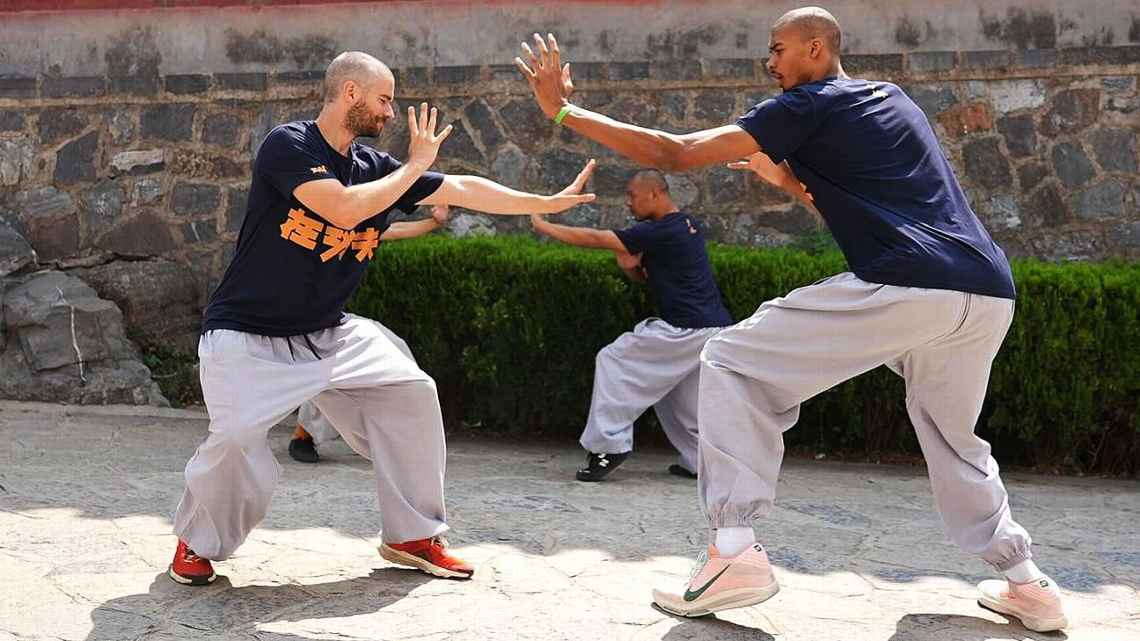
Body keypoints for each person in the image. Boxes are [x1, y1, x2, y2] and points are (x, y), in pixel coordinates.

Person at [515, 7, 1067, 632]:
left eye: (777, 49)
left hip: (910, 285)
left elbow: (675, 152)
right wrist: (786, 179)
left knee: (728, 358)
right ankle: (1028, 584)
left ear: (815, 46)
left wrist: (563, 111)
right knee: (953, 439)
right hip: (987, 291)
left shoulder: (806, 106)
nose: (770, 64)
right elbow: (854, 207)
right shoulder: (892, 100)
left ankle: (733, 553)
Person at [169, 51, 595, 587]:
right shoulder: (289, 145)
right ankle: (197, 542)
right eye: (385, 99)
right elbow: (342, 209)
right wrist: (415, 167)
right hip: (248, 336)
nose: (391, 113)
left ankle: (413, 534)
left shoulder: (374, 167)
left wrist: (543, 202)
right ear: (350, 92)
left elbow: (460, 187)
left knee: (411, 394)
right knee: (234, 440)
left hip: (330, 331)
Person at [531, 168, 733, 481]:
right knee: (676, 395)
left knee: (613, 359)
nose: (628, 203)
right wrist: (630, 268)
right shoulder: (687, 225)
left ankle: (609, 447)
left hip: (686, 328)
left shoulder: (662, 230)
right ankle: (701, 461)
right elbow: (644, 275)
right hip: (711, 328)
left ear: (655, 193)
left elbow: (596, 239)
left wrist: (544, 225)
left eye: (632, 195)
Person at [288, 205, 447, 464]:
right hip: (294, 324)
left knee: (396, 349)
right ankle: (303, 435)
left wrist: (434, 223)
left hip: (331, 320)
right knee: (326, 372)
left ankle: (392, 434)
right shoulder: (306, 226)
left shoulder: (359, 228)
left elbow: (393, 231)